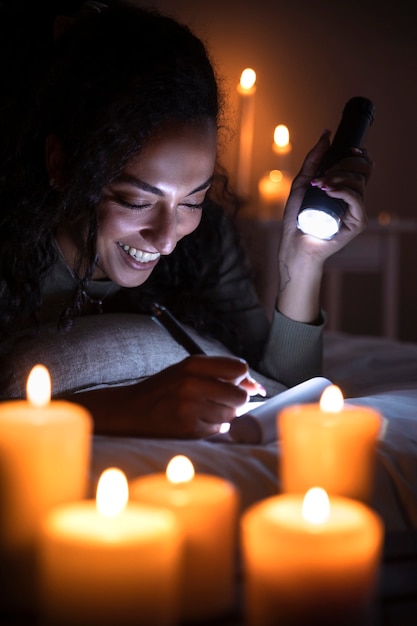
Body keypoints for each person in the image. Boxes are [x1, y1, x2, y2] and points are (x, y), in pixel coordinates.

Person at [0, 0, 372, 439]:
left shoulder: (207, 241)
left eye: (192, 201)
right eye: (136, 201)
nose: (166, 239)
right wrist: (118, 410)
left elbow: (279, 392)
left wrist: (303, 260)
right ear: (61, 164)